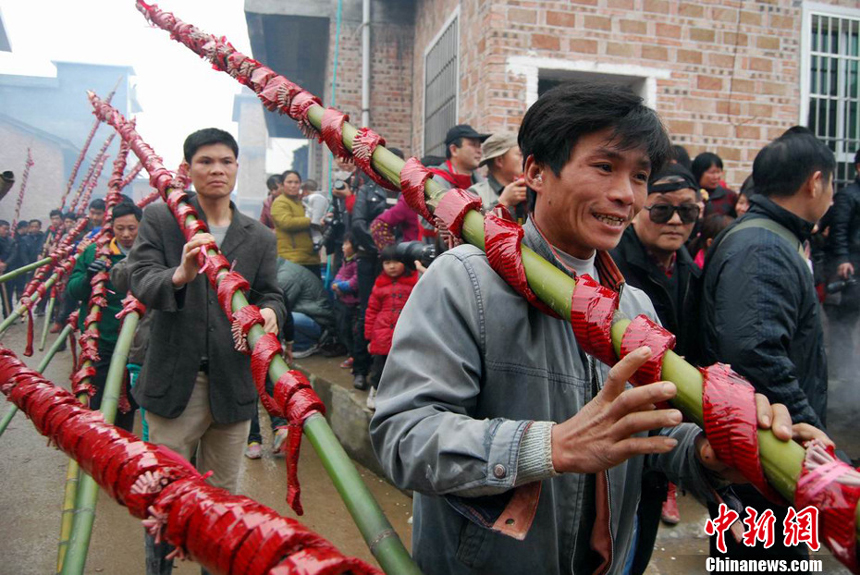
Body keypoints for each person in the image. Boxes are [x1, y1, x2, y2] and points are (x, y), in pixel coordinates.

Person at [370, 82, 817, 575]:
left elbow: (647, 435)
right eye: (605, 167)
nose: (626, 195)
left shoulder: (634, 305)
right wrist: (549, 446)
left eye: (640, 175)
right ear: (536, 171)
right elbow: (403, 436)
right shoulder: (466, 281)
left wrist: (705, 453)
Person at [127, 128, 285, 575]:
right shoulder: (164, 219)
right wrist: (178, 275)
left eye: (226, 162)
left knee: (222, 499)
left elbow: (272, 294)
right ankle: (160, 568)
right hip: (177, 381)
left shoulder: (258, 236)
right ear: (190, 169)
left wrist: (272, 313)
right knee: (167, 493)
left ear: (237, 168)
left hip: (232, 384)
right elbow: (138, 278)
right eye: (206, 162)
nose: (217, 169)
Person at [699, 128, 834, 567]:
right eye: (831, 183)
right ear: (815, 182)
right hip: (763, 455)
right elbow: (756, 354)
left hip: (765, 455)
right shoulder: (761, 246)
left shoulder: (771, 236)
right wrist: (820, 443)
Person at [609, 163, 702, 572]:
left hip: (669, 423)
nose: (677, 221)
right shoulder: (610, 269)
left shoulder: (693, 272)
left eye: (688, 211)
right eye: (663, 210)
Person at [66, 202, 143, 432]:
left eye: (132, 228)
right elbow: (72, 290)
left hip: (136, 341)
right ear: (112, 227)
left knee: (129, 401)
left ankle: (122, 444)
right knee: (97, 396)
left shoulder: (149, 251)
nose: (126, 234)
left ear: (141, 226)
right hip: (101, 338)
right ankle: (100, 441)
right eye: (120, 229)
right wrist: (89, 276)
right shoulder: (94, 252)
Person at [350, 148, 404, 390]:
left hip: (399, 261)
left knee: (398, 312)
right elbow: (358, 224)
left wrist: (398, 251)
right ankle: (361, 369)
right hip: (371, 259)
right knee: (367, 312)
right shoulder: (367, 189)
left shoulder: (406, 191)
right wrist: (382, 248)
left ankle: (393, 372)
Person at [363, 245, 417, 410]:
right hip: (382, 334)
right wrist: (369, 337)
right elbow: (371, 310)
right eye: (387, 262)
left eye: (396, 262)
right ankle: (376, 391)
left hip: (405, 332)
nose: (391, 266)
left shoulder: (414, 282)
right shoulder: (379, 284)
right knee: (380, 368)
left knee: (404, 367)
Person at [824, 148, 860, 380]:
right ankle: (842, 374)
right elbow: (838, 231)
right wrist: (843, 259)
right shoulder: (848, 196)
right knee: (844, 323)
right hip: (852, 268)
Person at [278, 257, 336, 359]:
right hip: (308, 313)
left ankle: (306, 345)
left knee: (284, 316)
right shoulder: (281, 268)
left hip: (319, 320)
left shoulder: (285, 276)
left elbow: (281, 307)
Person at [468, 132, 528, 223]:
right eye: (520, 155)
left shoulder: (527, 188)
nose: (524, 160)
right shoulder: (475, 194)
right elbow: (474, 228)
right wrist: (503, 202)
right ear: (499, 161)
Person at [271, 169, 320, 277]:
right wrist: (311, 221)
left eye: (296, 182)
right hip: (292, 259)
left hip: (311, 258)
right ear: (282, 184)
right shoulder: (280, 202)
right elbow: (287, 223)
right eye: (289, 182)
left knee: (315, 293)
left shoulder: (302, 202)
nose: (293, 185)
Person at [331, 234, 360, 370]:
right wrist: (336, 284)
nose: (343, 247)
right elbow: (339, 275)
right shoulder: (345, 261)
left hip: (353, 303)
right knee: (343, 329)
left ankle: (354, 357)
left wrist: (340, 286)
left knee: (351, 331)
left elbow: (355, 282)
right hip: (343, 301)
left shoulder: (357, 262)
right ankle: (350, 353)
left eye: (346, 244)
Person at [692, 152, 737, 217]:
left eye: (718, 172)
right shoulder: (691, 194)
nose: (716, 177)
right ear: (699, 173)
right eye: (712, 172)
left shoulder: (730, 196)